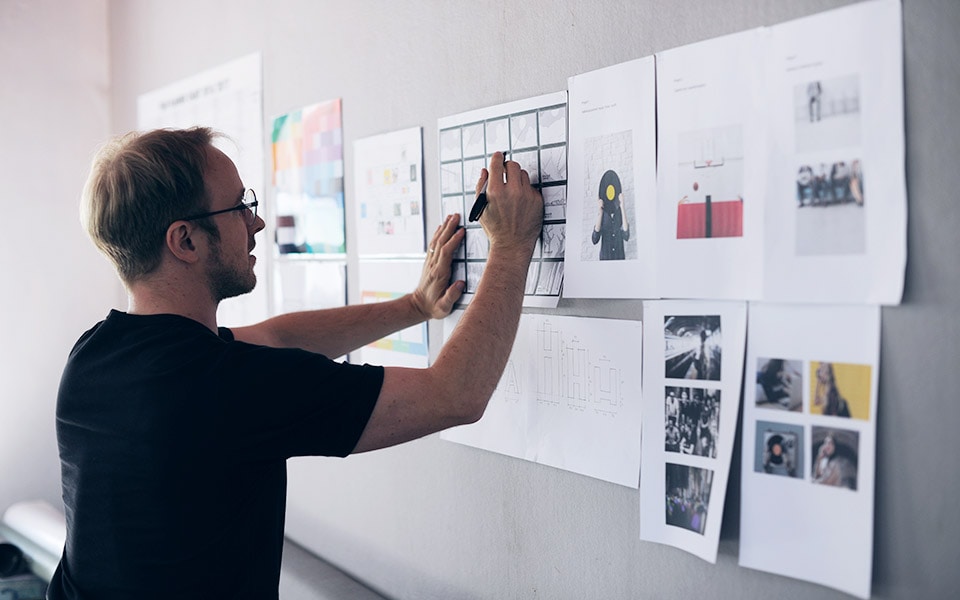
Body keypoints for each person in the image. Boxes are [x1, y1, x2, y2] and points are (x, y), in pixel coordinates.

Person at [49, 127, 543, 600]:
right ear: (186, 241)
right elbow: (455, 394)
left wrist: (414, 306)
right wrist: (511, 246)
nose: (256, 223)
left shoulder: (95, 356)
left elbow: (276, 338)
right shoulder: (226, 387)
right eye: (239, 207)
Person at [591, 169, 629, 260]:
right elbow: (595, 239)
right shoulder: (602, 214)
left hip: (619, 258)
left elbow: (626, 235)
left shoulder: (619, 212)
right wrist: (600, 211)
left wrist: (622, 206)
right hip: (605, 259)